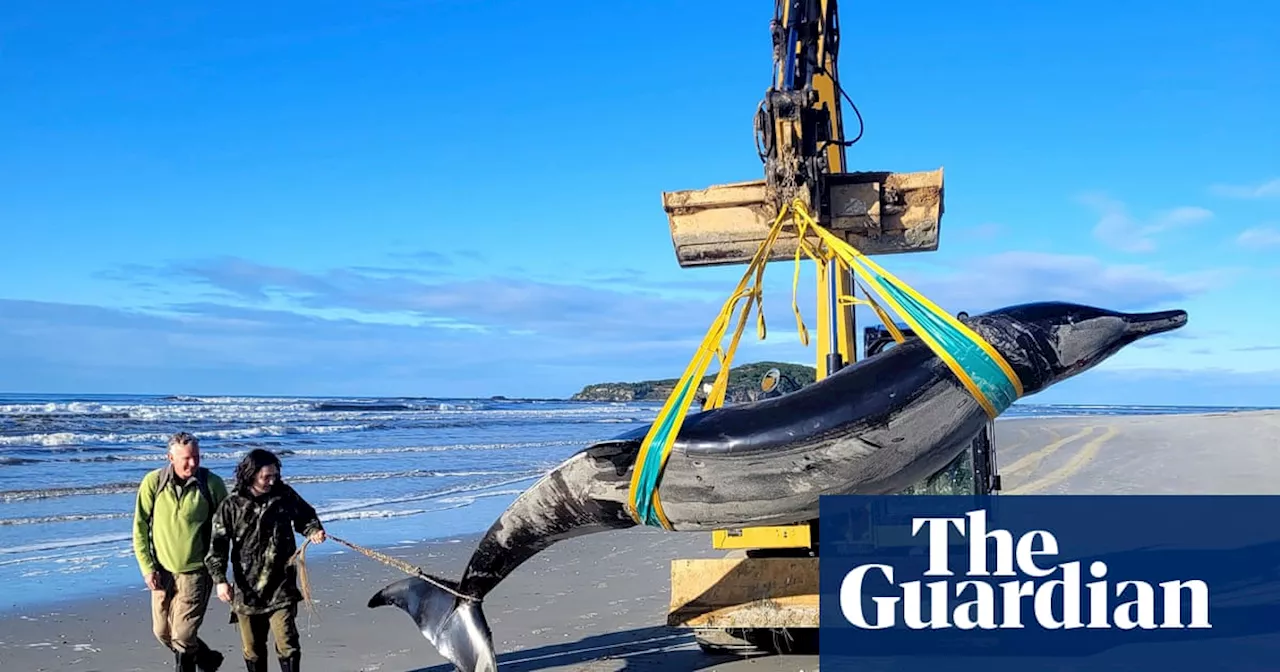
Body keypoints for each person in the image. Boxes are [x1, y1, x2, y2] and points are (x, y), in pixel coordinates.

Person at [206, 449, 326, 672]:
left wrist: (313, 531)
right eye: (266, 477)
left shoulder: (284, 495)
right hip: (247, 589)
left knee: (287, 643)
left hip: (282, 585)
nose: (272, 481)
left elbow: (306, 516)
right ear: (251, 474)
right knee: (253, 648)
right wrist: (220, 580)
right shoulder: (231, 505)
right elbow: (217, 546)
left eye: (275, 475)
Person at [132, 431, 229, 672]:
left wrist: (221, 577)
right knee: (162, 632)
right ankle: (207, 659)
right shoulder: (153, 483)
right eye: (186, 458)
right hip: (161, 572)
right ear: (170, 457)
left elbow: (225, 530)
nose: (193, 463)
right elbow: (140, 527)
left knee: (183, 635)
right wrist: (147, 567)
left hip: (196, 572)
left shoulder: (212, 484)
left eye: (196, 456)